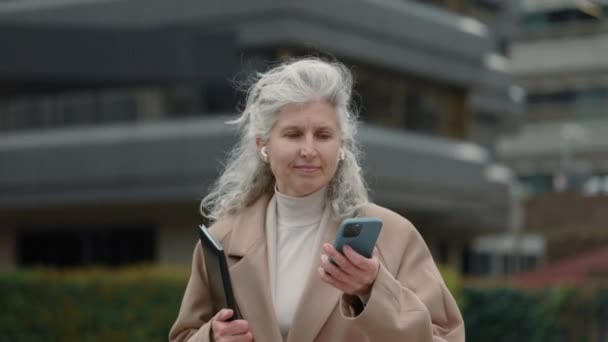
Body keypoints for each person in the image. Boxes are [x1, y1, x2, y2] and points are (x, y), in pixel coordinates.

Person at [169, 57, 465, 342]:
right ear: (263, 145)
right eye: (294, 134)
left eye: (323, 135)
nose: (309, 149)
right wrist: (212, 337)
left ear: (341, 146)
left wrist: (373, 290)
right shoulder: (223, 239)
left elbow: (445, 337)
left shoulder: (393, 236)